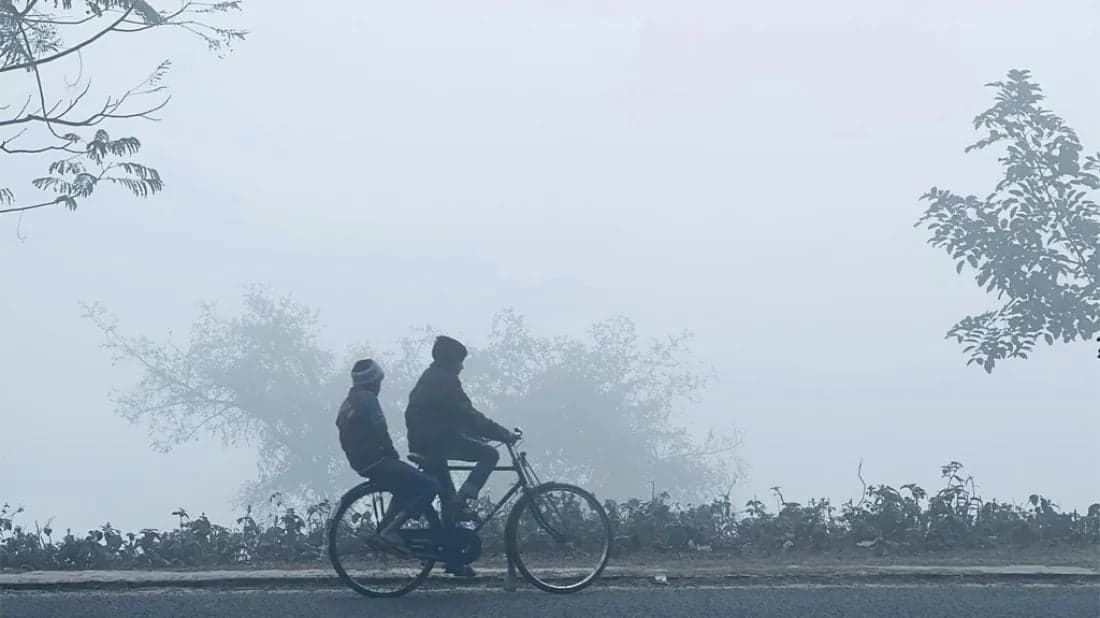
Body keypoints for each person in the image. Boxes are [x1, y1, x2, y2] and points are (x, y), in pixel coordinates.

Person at [405, 336, 518, 526]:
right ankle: (463, 500)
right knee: (490, 454)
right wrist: (503, 434)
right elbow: (468, 415)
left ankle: (450, 532)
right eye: (460, 362)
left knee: (447, 498)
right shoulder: (446, 381)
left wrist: (474, 436)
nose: (462, 367)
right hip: (436, 441)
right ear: (450, 361)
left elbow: (449, 415)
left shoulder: (431, 376)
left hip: (423, 440)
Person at [336, 359, 439, 555]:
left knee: (402, 488)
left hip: (361, 462)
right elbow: (380, 428)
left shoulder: (348, 402)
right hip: (377, 460)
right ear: (372, 381)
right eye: (379, 381)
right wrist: (391, 452)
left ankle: (383, 529)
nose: (380, 386)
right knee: (430, 485)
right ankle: (390, 531)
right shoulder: (368, 399)